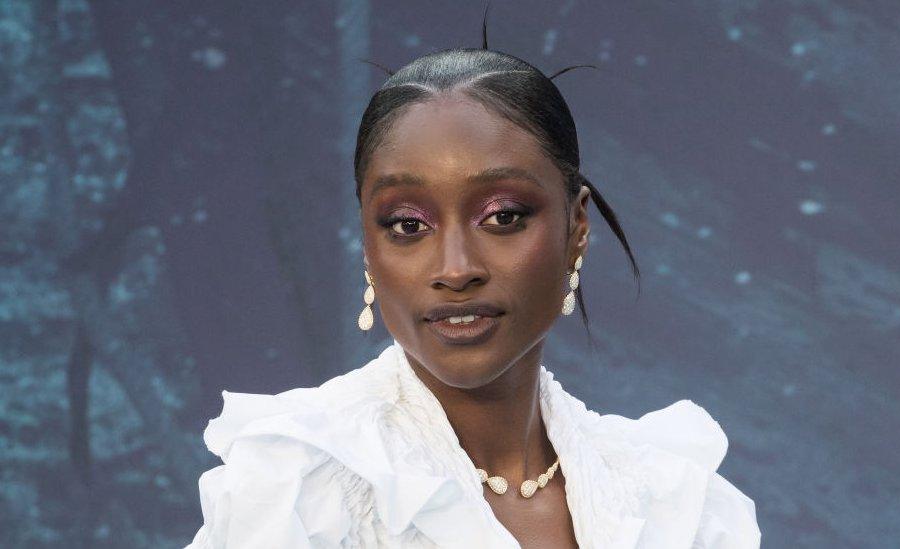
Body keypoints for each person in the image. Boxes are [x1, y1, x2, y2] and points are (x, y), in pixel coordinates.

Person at [186, 40, 761, 549]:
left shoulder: (673, 498)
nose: (455, 269)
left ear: (576, 227)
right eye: (408, 224)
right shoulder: (298, 486)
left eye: (503, 216)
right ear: (368, 243)